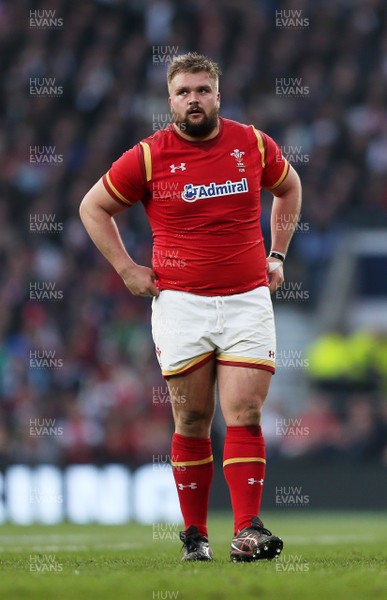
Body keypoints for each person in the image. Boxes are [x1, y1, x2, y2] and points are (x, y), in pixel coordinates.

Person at [80, 52, 301, 562]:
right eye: (184, 92)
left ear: (218, 95)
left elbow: (288, 188)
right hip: (180, 303)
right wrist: (128, 269)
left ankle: (247, 529)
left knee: (244, 412)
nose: (194, 100)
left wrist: (278, 254)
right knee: (194, 418)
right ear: (170, 100)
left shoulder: (251, 142)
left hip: (247, 297)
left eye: (203, 90)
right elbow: (93, 207)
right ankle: (195, 537)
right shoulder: (150, 156)